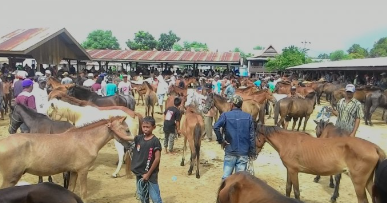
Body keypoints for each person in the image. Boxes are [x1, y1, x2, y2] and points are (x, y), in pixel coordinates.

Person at [213, 95, 256, 180]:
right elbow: (252, 136)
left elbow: (216, 127)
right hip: (244, 152)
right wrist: (252, 152)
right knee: (239, 180)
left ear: (232, 104)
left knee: (226, 178)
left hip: (230, 150)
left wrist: (221, 140)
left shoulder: (225, 115)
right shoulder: (248, 117)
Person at [131, 116, 162, 203]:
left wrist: (148, 174)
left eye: (148, 127)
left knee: (156, 199)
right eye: (143, 127)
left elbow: (157, 159)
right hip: (140, 174)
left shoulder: (155, 141)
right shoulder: (139, 138)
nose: (145, 129)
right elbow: (126, 138)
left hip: (151, 176)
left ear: (154, 127)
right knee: (143, 198)